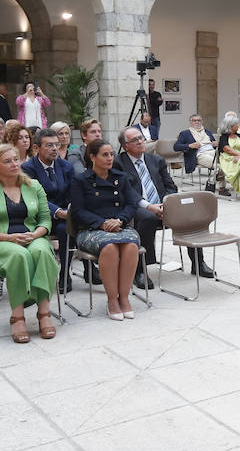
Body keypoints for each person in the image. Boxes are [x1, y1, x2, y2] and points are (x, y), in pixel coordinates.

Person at [0, 144, 59, 343]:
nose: (14, 164)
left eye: (16, 159)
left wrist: (36, 234)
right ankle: (17, 316)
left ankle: (44, 313)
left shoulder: (33, 185)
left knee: (42, 253)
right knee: (19, 255)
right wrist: (9, 238)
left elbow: (46, 219)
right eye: (7, 161)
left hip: (32, 237)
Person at [70, 139, 141, 320]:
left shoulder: (120, 177)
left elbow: (132, 203)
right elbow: (78, 210)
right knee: (109, 247)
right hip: (91, 229)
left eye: (111, 154)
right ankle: (112, 300)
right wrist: (102, 223)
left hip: (119, 225)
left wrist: (119, 220)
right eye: (105, 155)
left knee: (131, 246)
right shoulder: (81, 180)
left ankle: (124, 298)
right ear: (92, 157)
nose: (110, 158)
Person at [115, 126, 178, 288]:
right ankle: (140, 270)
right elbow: (126, 192)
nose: (139, 142)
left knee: (189, 214)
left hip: (162, 205)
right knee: (148, 217)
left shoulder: (156, 160)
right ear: (125, 146)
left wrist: (165, 204)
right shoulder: (118, 163)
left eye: (141, 138)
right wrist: (149, 207)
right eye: (134, 140)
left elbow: (171, 186)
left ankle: (198, 262)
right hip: (136, 207)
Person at [22, 128, 76, 292]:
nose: (54, 149)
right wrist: (58, 211)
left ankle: (65, 273)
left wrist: (70, 210)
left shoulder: (65, 166)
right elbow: (34, 197)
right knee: (64, 225)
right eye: (49, 145)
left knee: (67, 230)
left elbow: (73, 192)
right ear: (37, 148)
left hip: (63, 217)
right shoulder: (27, 168)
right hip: (37, 215)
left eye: (57, 144)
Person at [217, 116, 240, 199]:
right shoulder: (223, 137)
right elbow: (228, 150)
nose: (238, 126)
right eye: (236, 124)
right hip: (227, 158)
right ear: (230, 126)